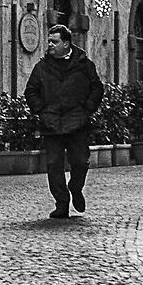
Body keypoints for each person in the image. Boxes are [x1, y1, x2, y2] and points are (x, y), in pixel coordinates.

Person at [23, 23, 104, 220]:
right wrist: (41, 110)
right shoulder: (42, 67)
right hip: (51, 124)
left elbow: (97, 88)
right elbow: (31, 91)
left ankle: (75, 188)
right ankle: (61, 203)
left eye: (54, 41)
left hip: (78, 123)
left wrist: (87, 109)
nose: (50, 45)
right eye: (49, 41)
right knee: (53, 165)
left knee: (80, 163)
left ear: (66, 43)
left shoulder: (84, 65)